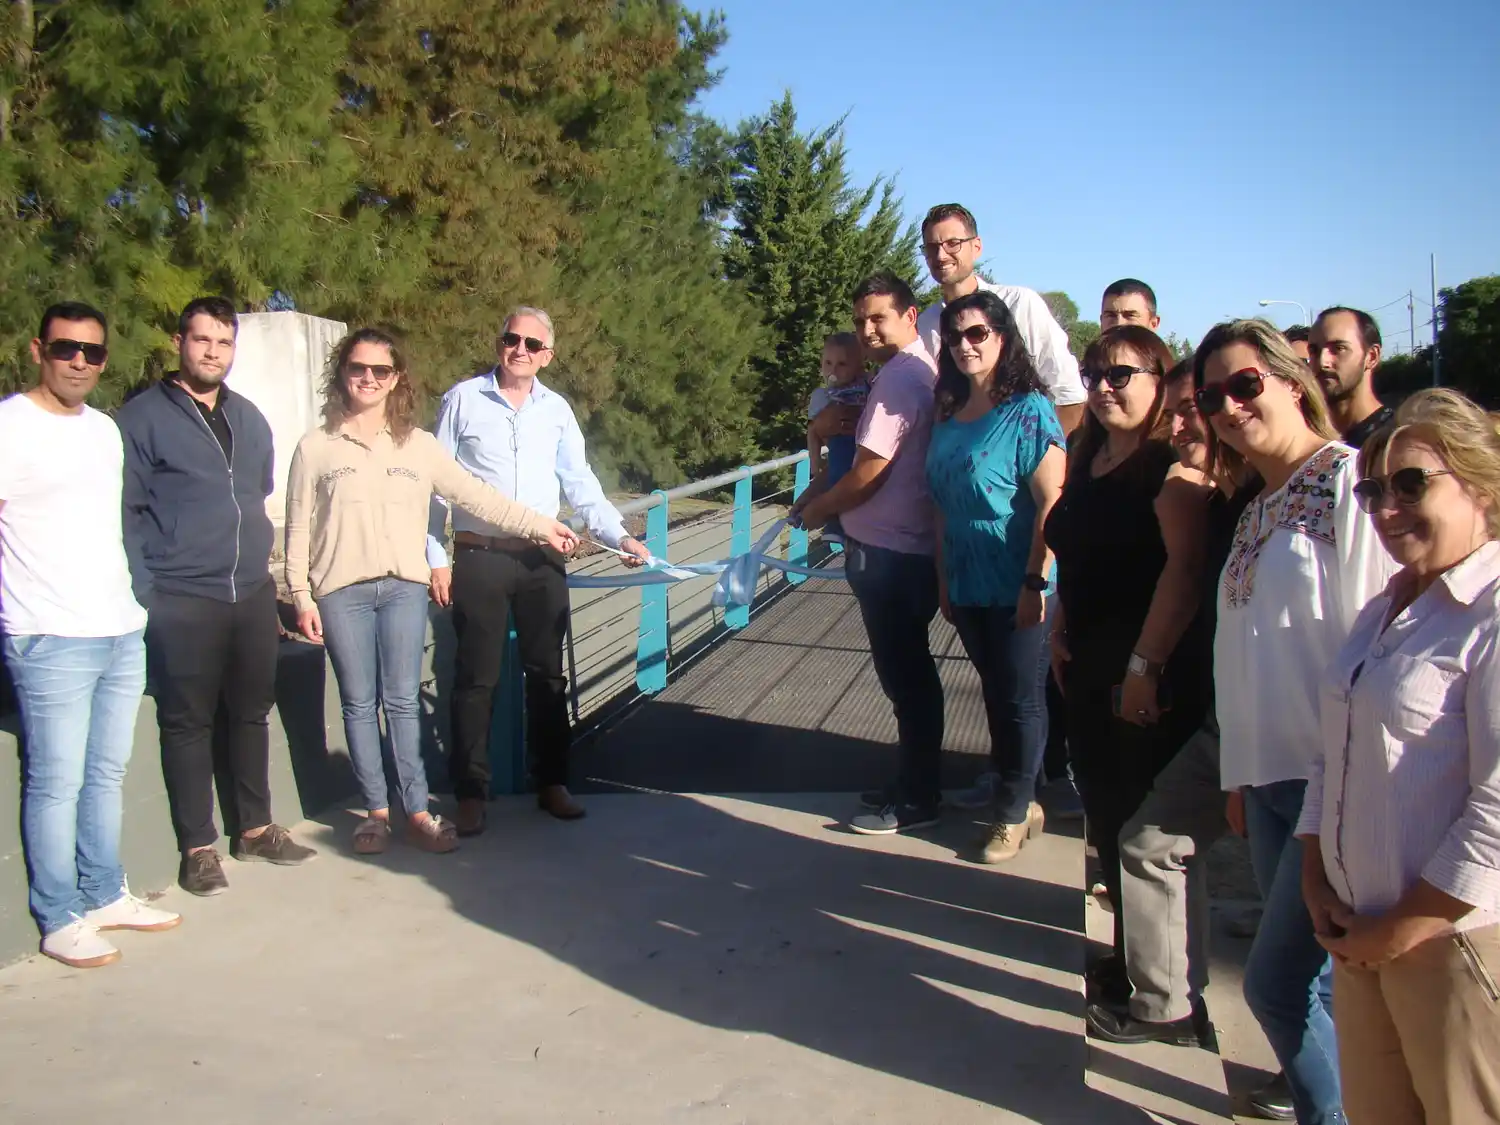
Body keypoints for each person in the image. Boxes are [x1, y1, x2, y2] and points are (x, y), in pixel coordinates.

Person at [1196, 317, 1397, 1125]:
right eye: (1212, 395)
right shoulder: (1257, 507)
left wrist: (1349, 791)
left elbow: (1380, 646)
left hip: (1331, 787)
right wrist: (1238, 771)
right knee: (1320, 984)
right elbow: (1245, 654)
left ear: (1289, 379)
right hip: (1271, 779)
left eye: (1245, 384)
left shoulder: (1350, 483)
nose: (1228, 406)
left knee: (1275, 986)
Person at [286, 328, 578, 855]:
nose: (368, 379)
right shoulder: (316, 446)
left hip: (402, 588)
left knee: (399, 700)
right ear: (342, 374)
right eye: (358, 368)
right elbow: (297, 527)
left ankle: (417, 811)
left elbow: (478, 497)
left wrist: (540, 526)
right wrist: (301, 594)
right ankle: (376, 812)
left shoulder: (418, 446)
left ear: (396, 378)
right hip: (340, 591)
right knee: (358, 702)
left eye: (380, 370)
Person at [1298, 388, 1500, 1125]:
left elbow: (1498, 811)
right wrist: (1316, 872)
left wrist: (1403, 927)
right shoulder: (1383, 608)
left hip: (1454, 952)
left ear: (1478, 480)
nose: (1386, 508)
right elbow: (1334, 751)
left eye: (1412, 483)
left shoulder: (1491, 613)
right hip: (1360, 941)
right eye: (1375, 489)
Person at [1086, 356, 1262, 1045]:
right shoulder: (1215, 487)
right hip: (1220, 706)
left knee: (1292, 921)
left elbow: (1185, 581)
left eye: (1220, 397)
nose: (1199, 416)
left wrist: (1141, 667)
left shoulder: (1271, 490)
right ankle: (1171, 1004)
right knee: (1154, 842)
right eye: (1191, 404)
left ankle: (1313, 1085)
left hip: (1266, 723)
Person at [1, 302, 180, 968]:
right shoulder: (9, 427)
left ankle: (105, 893)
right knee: (55, 780)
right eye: (65, 348)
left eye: (93, 352)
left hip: (116, 628)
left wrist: (134, 606)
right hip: (47, 636)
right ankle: (59, 914)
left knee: (106, 772)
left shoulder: (105, 430)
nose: (79, 361)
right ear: (37, 349)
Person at [118, 297, 316, 898]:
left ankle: (254, 828)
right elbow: (127, 512)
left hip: (250, 590)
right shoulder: (142, 418)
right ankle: (198, 846)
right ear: (180, 342)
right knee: (187, 722)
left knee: (252, 711)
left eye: (223, 343)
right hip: (181, 595)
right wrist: (148, 593)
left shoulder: (249, 417)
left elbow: (253, 491)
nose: (212, 352)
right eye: (202, 340)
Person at [427, 307, 649, 832]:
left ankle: (552, 782)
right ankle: (472, 793)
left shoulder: (557, 410)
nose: (520, 349)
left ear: (547, 354)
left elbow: (580, 482)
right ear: (498, 342)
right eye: (511, 338)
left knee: (547, 676)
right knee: (475, 679)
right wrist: (436, 557)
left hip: (541, 558)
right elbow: (433, 485)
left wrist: (619, 535)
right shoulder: (462, 400)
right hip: (481, 555)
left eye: (532, 343)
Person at [1045, 327, 1213, 976]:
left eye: (1121, 375)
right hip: (1086, 662)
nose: (1103, 387)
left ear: (1158, 381)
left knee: (1145, 825)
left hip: (1142, 674)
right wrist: (1060, 621)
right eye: (1093, 375)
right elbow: (1079, 550)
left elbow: (1186, 572)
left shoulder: (1169, 469)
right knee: (1108, 814)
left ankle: (1169, 984)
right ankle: (1133, 957)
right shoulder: (1086, 455)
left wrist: (1143, 666)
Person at [791, 272, 942, 836]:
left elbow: (869, 472)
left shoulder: (901, 380)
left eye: (878, 318)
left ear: (909, 315)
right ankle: (912, 782)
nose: (867, 330)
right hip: (901, 549)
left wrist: (817, 509)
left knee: (906, 678)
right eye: (860, 321)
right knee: (909, 677)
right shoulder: (911, 372)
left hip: (888, 554)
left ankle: (918, 798)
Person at [925, 290, 1066, 863]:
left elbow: (1052, 503)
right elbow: (939, 502)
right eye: (956, 336)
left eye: (977, 333)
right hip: (966, 576)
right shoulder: (949, 410)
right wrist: (942, 577)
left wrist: (1035, 582)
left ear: (1002, 337)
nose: (965, 345)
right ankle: (1018, 792)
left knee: (1021, 698)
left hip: (1018, 577)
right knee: (994, 690)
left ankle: (1013, 809)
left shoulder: (1030, 410)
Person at [914, 203, 1087, 434]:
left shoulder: (1020, 304)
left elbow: (1069, 395)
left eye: (952, 244)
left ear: (976, 247)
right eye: (932, 247)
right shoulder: (926, 325)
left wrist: (1040, 456)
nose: (941, 255)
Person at [805, 332, 868, 542]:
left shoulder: (870, 384)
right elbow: (813, 432)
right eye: (828, 363)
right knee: (840, 473)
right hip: (842, 443)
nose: (833, 370)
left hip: (866, 442)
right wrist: (815, 464)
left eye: (842, 364)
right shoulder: (823, 396)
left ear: (857, 366)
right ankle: (835, 523)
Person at [1309, 306, 1392, 449]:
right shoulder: (1308, 440)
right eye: (1314, 351)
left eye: (1339, 348)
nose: (1323, 362)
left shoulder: (1396, 440)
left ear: (1372, 356)